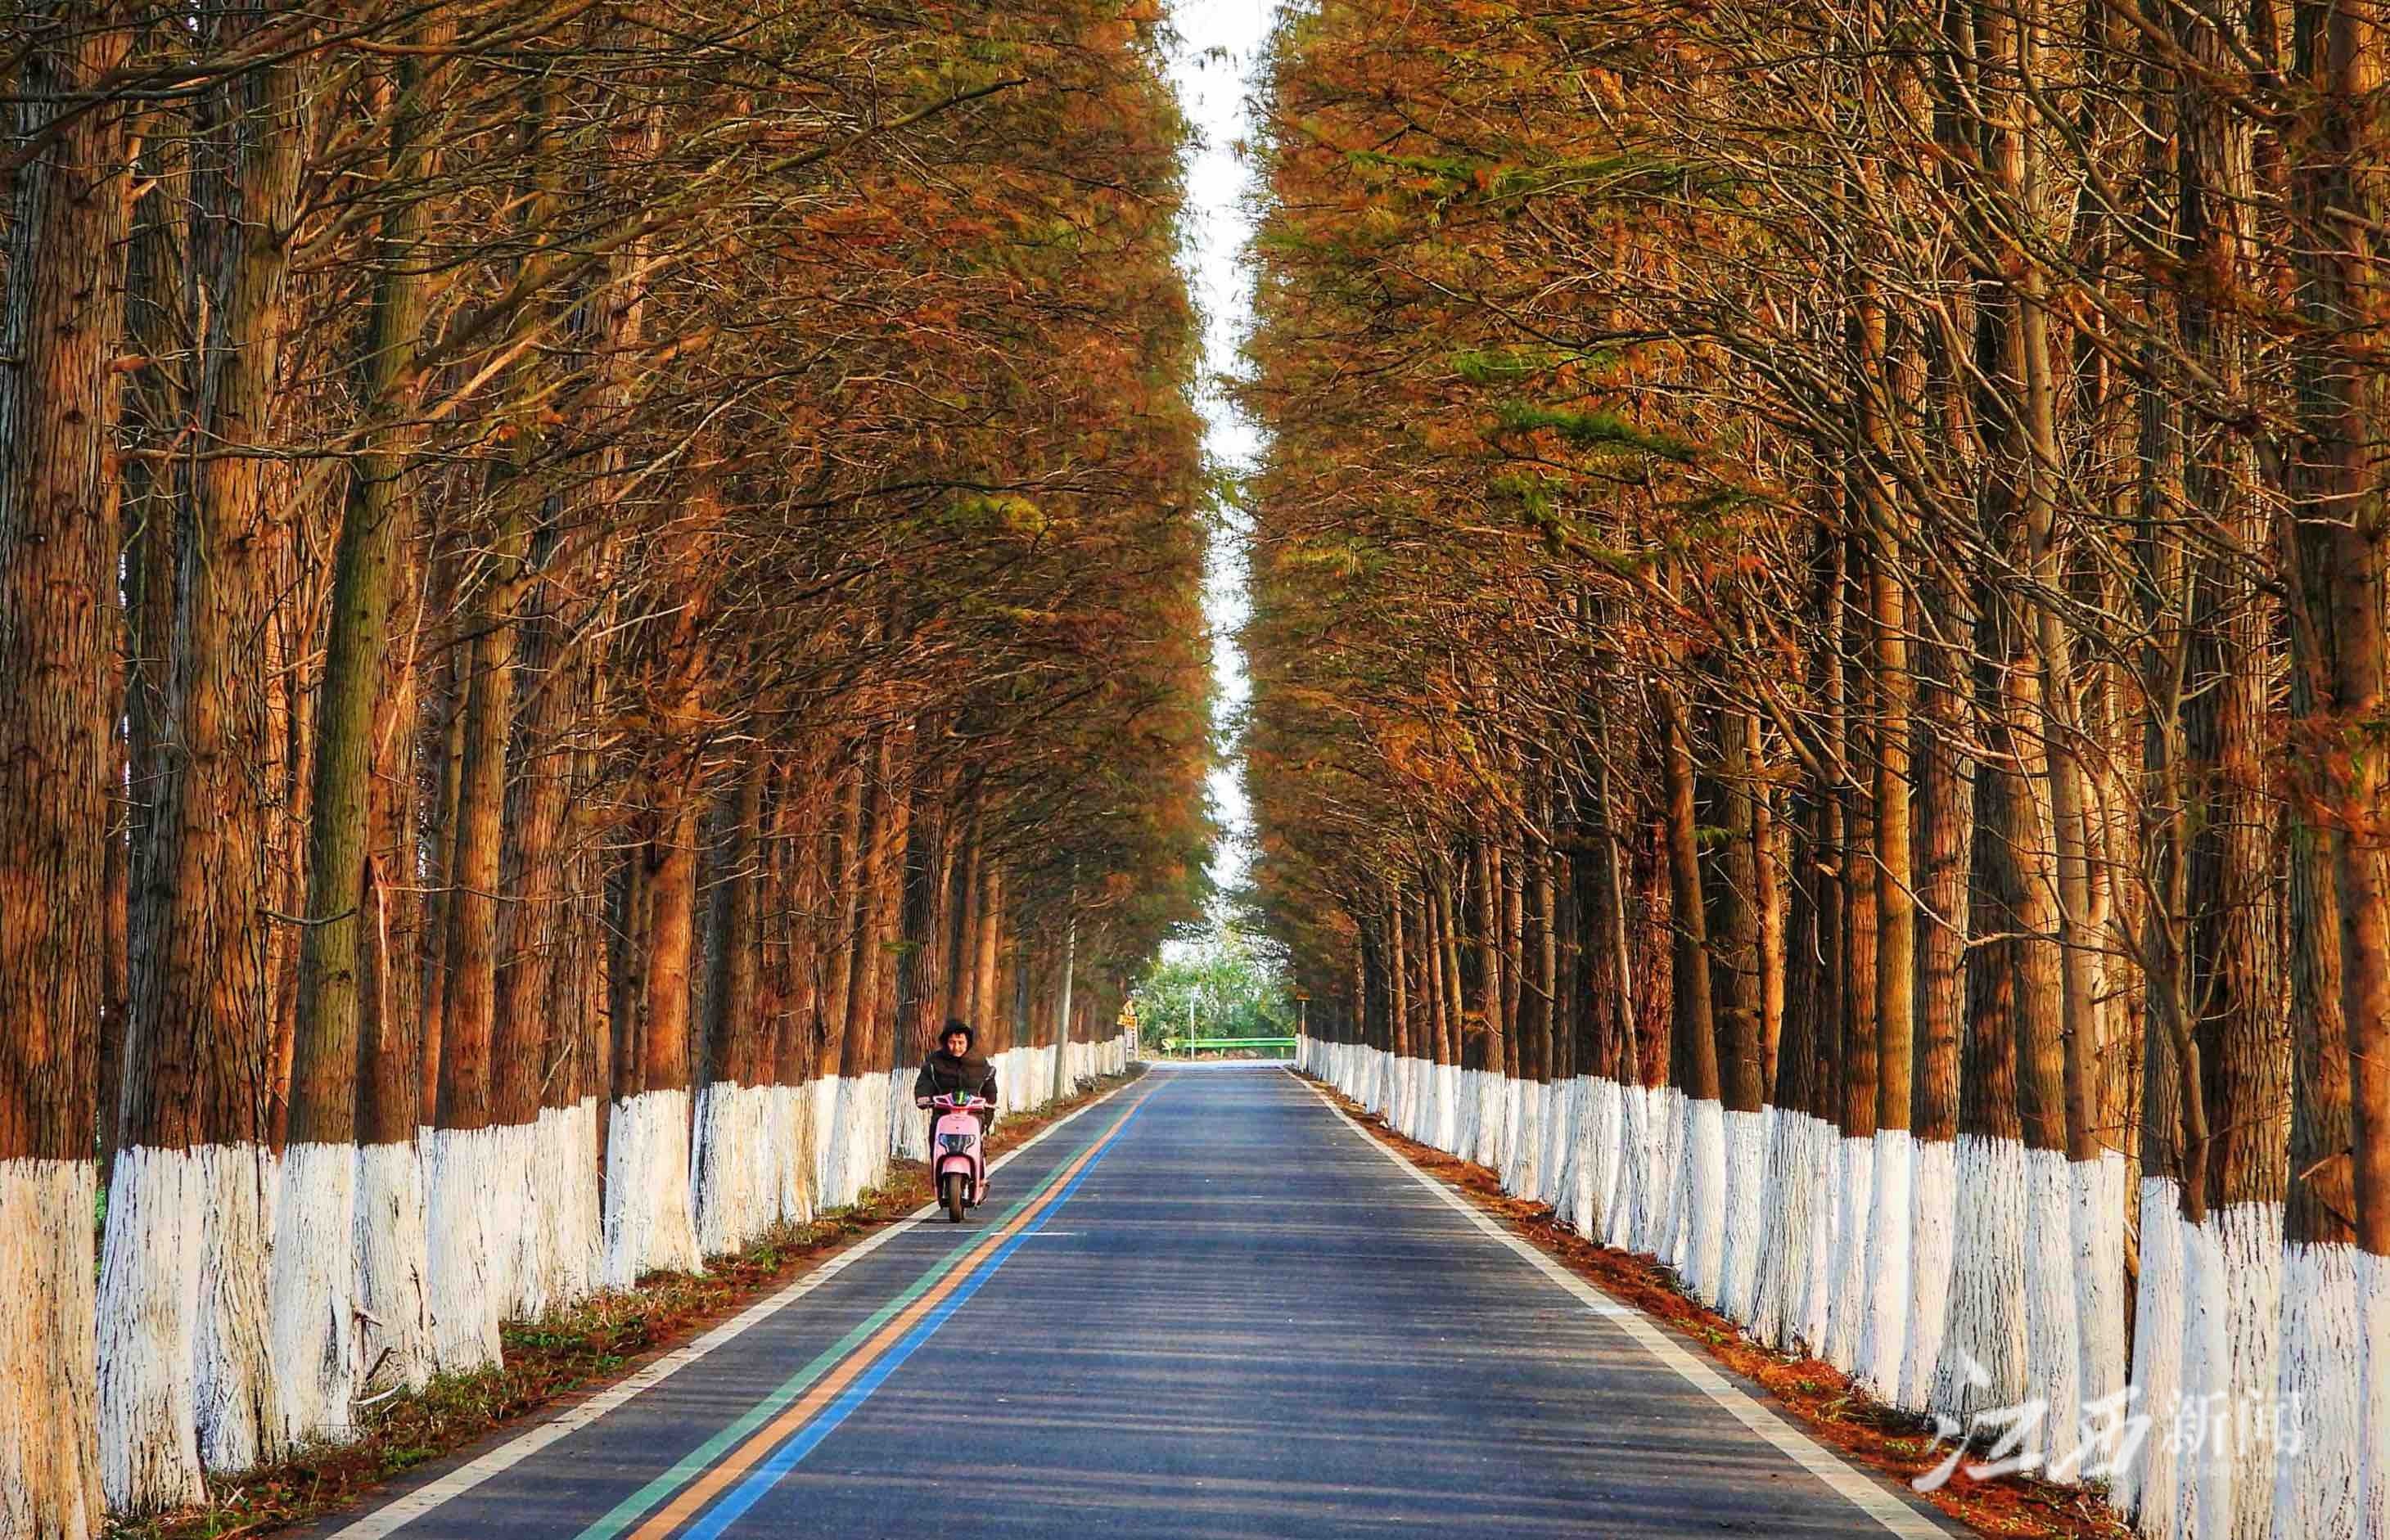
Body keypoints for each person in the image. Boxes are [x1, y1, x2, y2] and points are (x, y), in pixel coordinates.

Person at [914, 1020, 997, 1156]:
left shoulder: (979, 1062)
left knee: (976, 1147)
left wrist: (990, 1101)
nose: (956, 1047)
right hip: (943, 1115)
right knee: (937, 1148)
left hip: (973, 1114)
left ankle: (979, 1172)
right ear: (945, 1042)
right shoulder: (935, 1062)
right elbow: (925, 1082)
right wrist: (923, 1097)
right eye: (952, 1042)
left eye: (961, 1043)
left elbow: (989, 1084)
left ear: (968, 1043)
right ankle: (937, 1173)